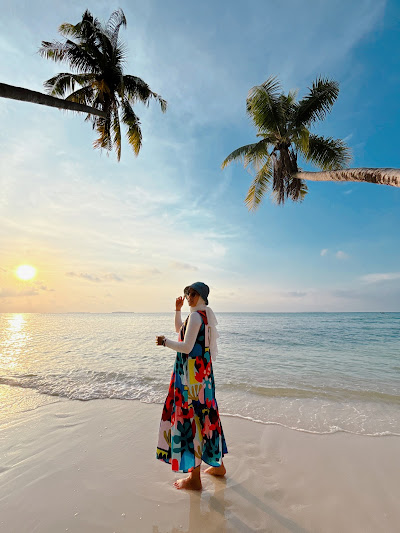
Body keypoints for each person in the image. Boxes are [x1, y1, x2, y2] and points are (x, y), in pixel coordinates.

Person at [155, 282, 228, 490]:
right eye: (187, 293)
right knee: (205, 418)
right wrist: (177, 311)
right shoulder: (201, 316)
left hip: (190, 379)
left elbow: (185, 346)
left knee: (191, 420)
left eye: (193, 294)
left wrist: (164, 342)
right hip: (202, 378)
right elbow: (181, 331)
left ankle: (194, 479)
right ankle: (218, 466)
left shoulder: (196, 316)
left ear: (202, 296)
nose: (189, 297)